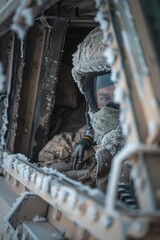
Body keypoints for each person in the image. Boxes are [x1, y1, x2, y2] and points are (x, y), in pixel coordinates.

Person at [38, 27, 127, 191]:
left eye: (122, 97)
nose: (113, 107)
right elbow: (45, 162)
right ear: (91, 101)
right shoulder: (73, 145)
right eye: (105, 99)